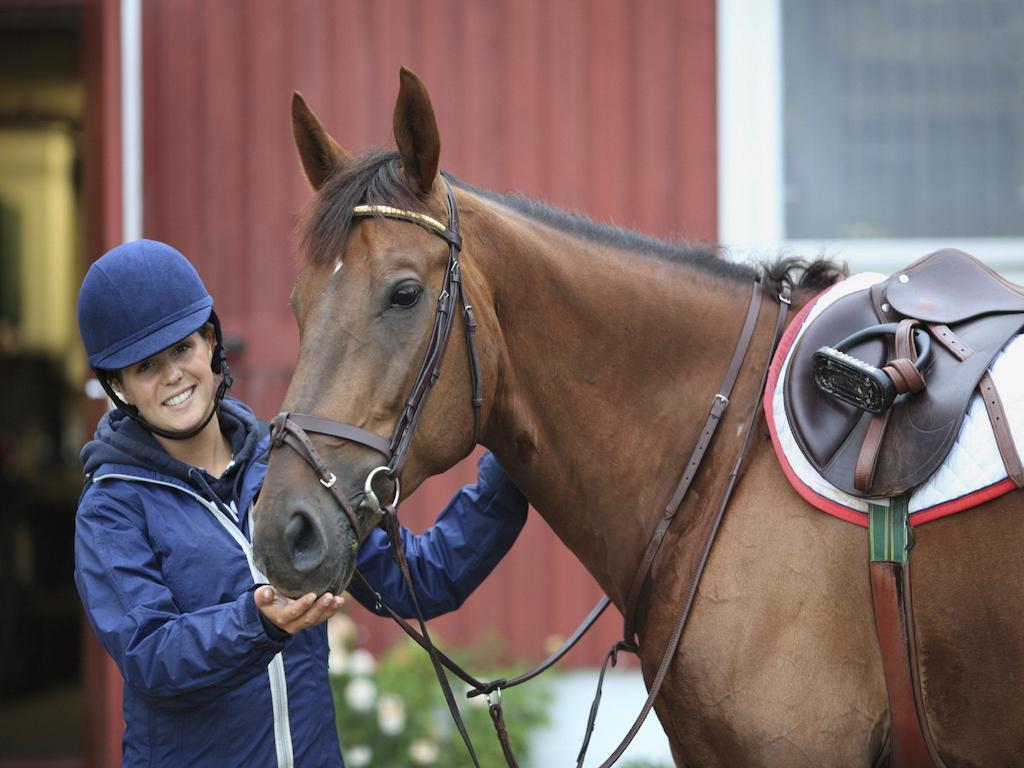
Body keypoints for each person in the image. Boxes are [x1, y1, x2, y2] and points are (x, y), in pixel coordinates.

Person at [74, 239, 528, 767]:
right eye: (146, 367)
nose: (173, 375)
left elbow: (423, 580)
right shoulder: (111, 509)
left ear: (211, 343)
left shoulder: (287, 472)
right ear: (121, 387)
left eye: (182, 349)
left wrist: (515, 466)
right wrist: (260, 623)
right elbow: (151, 654)